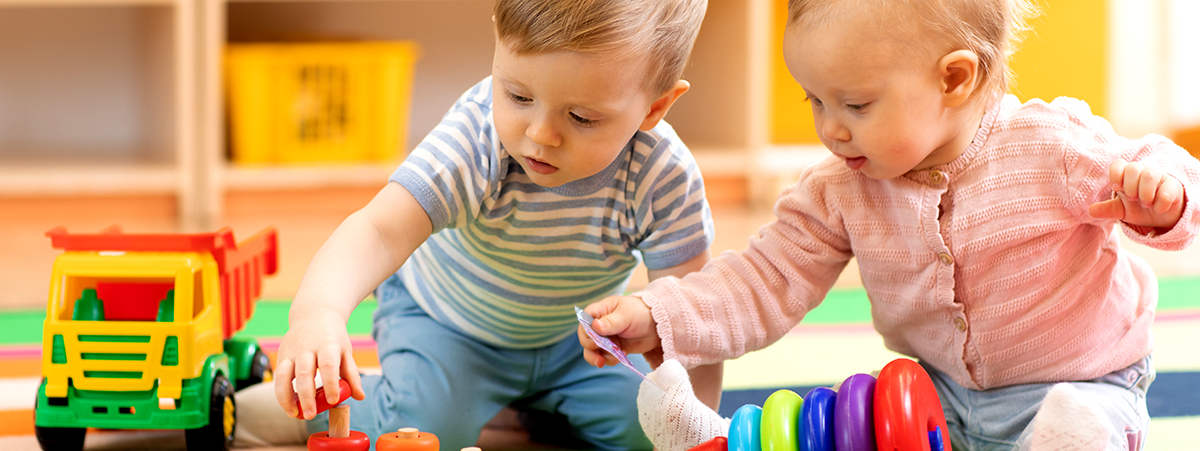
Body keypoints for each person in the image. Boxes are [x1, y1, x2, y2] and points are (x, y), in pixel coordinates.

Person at [579, 0, 1200, 450]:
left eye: (856, 104)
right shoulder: (840, 186)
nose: (830, 129)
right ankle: (712, 441)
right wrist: (658, 315)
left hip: (1084, 383)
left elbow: (1165, 171)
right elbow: (763, 278)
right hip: (938, 400)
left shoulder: (1051, 146)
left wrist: (1163, 199)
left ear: (954, 79)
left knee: (1085, 422)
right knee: (850, 424)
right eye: (814, 100)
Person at [232, 1, 724, 449]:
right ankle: (311, 409)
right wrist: (318, 313)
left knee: (651, 427)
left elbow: (688, 319)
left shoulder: (663, 177)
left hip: (578, 345)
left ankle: (525, 410)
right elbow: (377, 232)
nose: (539, 134)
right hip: (446, 324)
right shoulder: (475, 141)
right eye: (517, 95)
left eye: (580, 117)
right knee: (422, 430)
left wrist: (695, 426)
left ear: (655, 107)